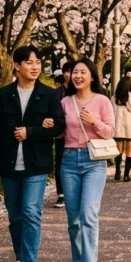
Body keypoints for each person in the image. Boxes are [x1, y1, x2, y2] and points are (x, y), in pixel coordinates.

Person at [0, 46, 64, 262]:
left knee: (31, 212)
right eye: (29, 62)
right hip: (8, 163)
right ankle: (20, 256)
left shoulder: (48, 95)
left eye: (37, 62)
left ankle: (29, 260)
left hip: (36, 164)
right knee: (15, 216)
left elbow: (59, 126)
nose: (35, 66)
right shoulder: (3, 95)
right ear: (17, 66)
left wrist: (32, 131)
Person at [59, 58, 114, 262]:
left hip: (94, 162)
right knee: (73, 220)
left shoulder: (102, 101)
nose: (78, 76)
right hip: (69, 161)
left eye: (83, 72)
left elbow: (110, 132)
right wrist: (51, 126)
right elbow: (61, 133)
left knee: (88, 215)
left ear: (92, 76)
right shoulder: (65, 102)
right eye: (75, 72)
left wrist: (94, 122)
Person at [112, 77, 131, 182]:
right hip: (130, 127)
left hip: (118, 127)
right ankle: (126, 175)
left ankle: (117, 172)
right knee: (129, 152)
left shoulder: (114, 98)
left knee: (118, 151)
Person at [53, 63, 73, 208]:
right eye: (69, 72)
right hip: (61, 134)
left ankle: (71, 192)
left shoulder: (81, 92)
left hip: (77, 135)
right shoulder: (57, 93)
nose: (72, 75)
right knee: (60, 162)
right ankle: (61, 194)